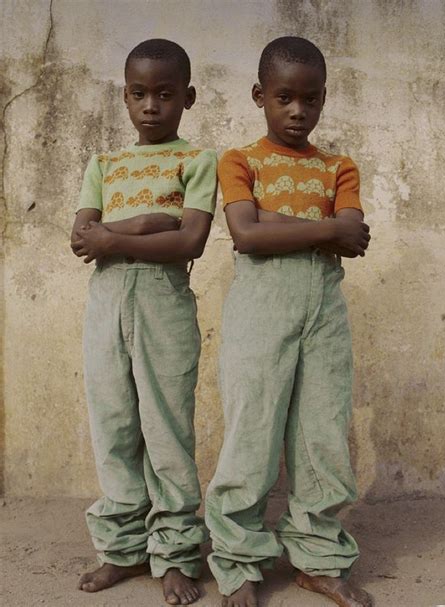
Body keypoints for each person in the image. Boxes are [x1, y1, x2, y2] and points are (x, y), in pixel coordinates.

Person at [205, 36, 372, 607]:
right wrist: (322, 227)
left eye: (311, 99)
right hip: (260, 308)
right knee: (252, 430)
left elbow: (355, 238)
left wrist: (277, 221)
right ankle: (239, 559)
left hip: (323, 310)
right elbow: (246, 235)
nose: (298, 111)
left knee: (322, 433)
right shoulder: (239, 160)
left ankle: (318, 557)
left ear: (324, 99)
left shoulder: (338, 166)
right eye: (284, 98)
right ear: (259, 96)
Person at [70, 38, 217, 606]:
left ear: (188, 97)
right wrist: (151, 220)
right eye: (139, 93)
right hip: (105, 304)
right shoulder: (103, 163)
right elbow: (82, 236)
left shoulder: (196, 161)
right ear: (124, 97)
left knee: (166, 430)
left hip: (163, 303)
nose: (151, 105)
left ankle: (176, 554)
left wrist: (116, 232)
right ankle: (122, 550)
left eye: (164, 94)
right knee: (113, 426)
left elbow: (192, 239)